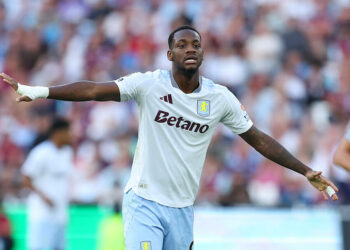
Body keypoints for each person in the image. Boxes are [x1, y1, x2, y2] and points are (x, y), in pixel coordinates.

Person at [0, 25, 339, 250]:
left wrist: (305, 170)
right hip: (143, 201)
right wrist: (38, 90)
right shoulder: (149, 85)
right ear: (170, 55)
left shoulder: (220, 98)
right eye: (181, 44)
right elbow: (91, 89)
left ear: (202, 54)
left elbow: (259, 139)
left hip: (183, 209)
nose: (190, 48)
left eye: (196, 44)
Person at [21, 117, 73, 250]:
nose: (71, 135)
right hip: (42, 214)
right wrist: (44, 197)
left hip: (61, 214)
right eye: (68, 131)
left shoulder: (68, 152)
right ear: (58, 133)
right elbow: (26, 178)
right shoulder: (41, 152)